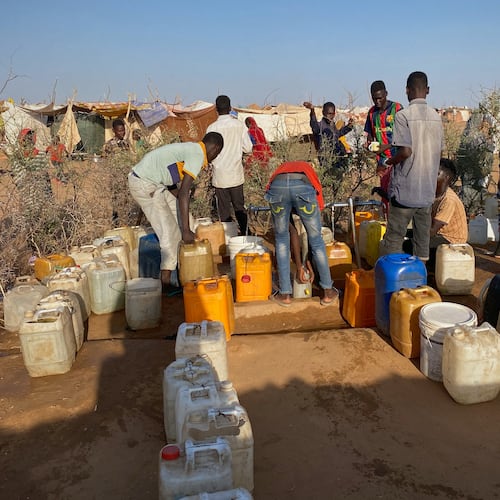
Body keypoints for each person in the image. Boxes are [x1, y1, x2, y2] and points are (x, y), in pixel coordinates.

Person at [128, 132, 224, 289]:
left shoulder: (190, 149)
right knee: (170, 236)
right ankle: (166, 283)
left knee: (188, 220)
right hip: (145, 184)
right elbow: (185, 191)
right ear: (215, 148)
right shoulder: (198, 153)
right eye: (217, 154)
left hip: (156, 184)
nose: (215, 157)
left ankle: (184, 269)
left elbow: (171, 177)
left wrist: (186, 223)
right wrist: (185, 230)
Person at [380, 71, 444, 262]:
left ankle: (394, 285)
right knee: (421, 245)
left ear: (407, 91)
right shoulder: (436, 117)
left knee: (394, 240)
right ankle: (420, 284)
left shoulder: (403, 116)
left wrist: (389, 162)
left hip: (405, 193)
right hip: (426, 193)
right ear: (428, 90)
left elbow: (405, 152)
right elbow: (439, 153)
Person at [264, 160, 338, 307]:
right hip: (302, 187)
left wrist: (304, 262)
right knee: (316, 240)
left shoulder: (280, 171)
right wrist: (300, 264)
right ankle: (328, 292)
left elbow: (291, 232)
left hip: (277, 189)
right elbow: (307, 229)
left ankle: (284, 294)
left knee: (281, 240)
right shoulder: (309, 172)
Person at [206, 95, 253, 235]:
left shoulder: (211, 128)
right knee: (239, 208)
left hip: (219, 176)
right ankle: (246, 235)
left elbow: (207, 153)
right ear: (230, 107)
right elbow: (248, 148)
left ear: (216, 109)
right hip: (236, 175)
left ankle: (228, 238)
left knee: (224, 210)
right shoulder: (239, 125)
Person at [364, 80, 403, 214]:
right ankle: (388, 226)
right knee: (386, 196)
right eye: (375, 99)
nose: (377, 101)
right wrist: (369, 145)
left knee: (400, 196)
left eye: (380, 98)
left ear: (386, 94)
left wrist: (385, 147)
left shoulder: (397, 109)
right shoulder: (371, 113)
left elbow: (405, 136)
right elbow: (369, 134)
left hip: (399, 160)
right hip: (382, 163)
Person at [303, 101, 353, 169]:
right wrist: (312, 111)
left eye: (332, 114)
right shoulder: (320, 126)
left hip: (337, 158)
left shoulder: (332, 125)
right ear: (323, 113)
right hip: (327, 161)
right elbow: (314, 125)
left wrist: (349, 127)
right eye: (329, 114)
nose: (331, 116)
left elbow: (338, 134)